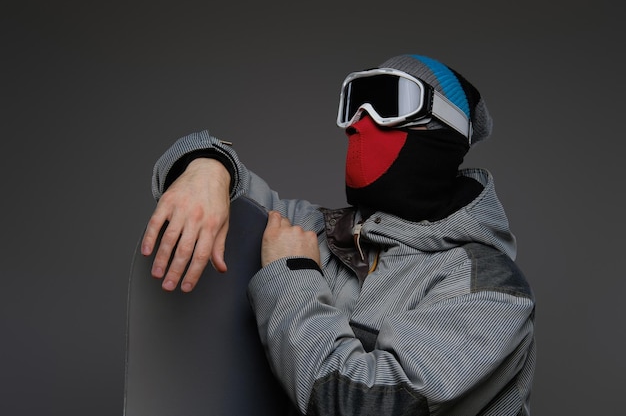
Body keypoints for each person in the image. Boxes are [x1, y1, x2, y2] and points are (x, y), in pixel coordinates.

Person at [141, 53, 536, 415]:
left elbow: (361, 404)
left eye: (386, 104)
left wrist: (293, 274)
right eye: (354, 104)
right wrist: (206, 168)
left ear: (443, 130)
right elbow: (237, 199)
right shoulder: (320, 231)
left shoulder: (488, 288)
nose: (359, 123)